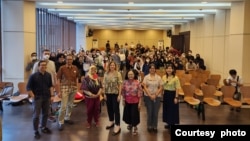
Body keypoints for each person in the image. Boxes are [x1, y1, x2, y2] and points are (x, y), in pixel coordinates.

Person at [26, 60, 54, 139]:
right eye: (41, 65)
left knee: (46, 114)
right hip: (37, 98)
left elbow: (50, 86)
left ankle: (43, 127)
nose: (43, 67)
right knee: (36, 115)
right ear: (38, 66)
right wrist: (33, 96)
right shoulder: (33, 76)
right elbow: (28, 88)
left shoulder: (48, 75)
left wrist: (52, 95)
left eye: (45, 65)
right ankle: (36, 131)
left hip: (46, 97)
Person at [57, 54, 79, 131]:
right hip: (64, 88)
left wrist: (77, 88)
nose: (69, 61)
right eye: (68, 59)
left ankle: (67, 118)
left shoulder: (75, 67)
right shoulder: (62, 68)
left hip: (73, 88)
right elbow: (58, 79)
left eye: (70, 59)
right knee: (63, 106)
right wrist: (59, 91)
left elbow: (77, 78)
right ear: (65, 60)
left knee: (70, 105)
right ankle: (60, 121)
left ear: (72, 60)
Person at [103, 61, 123, 136]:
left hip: (115, 93)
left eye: (113, 65)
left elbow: (120, 84)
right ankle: (111, 121)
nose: (112, 66)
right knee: (109, 108)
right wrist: (104, 93)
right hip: (108, 93)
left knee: (116, 109)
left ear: (115, 66)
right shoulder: (106, 73)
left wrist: (119, 95)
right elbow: (104, 84)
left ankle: (117, 125)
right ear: (109, 66)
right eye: (111, 65)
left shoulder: (118, 73)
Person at [141, 63, 163, 133]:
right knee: (149, 112)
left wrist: (155, 95)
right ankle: (149, 125)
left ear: (155, 69)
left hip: (157, 97)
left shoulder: (159, 77)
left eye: (153, 68)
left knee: (155, 112)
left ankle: (155, 126)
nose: (152, 69)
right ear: (149, 69)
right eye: (151, 68)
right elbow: (144, 87)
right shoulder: (146, 77)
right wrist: (150, 95)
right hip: (148, 96)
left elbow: (161, 87)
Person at [122, 69, 143, 135]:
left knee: (134, 115)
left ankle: (135, 127)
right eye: (129, 74)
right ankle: (130, 124)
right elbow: (123, 92)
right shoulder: (125, 82)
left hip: (135, 101)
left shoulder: (137, 82)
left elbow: (140, 93)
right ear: (127, 75)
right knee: (128, 114)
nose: (130, 76)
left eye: (131, 74)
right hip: (127, 101)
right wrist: (123, 100)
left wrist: (140, 103)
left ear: (134, 75)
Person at [162, 64, 181, 129]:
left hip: (173, 94)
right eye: (167, 68)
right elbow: (162, 85)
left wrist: (176, 97)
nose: (169, 70)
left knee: (172, 110)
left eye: (170, 68)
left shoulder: (175, 78)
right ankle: (168, 123)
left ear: (173, 69)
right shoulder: (164, 77)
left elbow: (177, 88)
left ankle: (172, 124)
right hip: (166, 94)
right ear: (166, 70)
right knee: (167, 109)